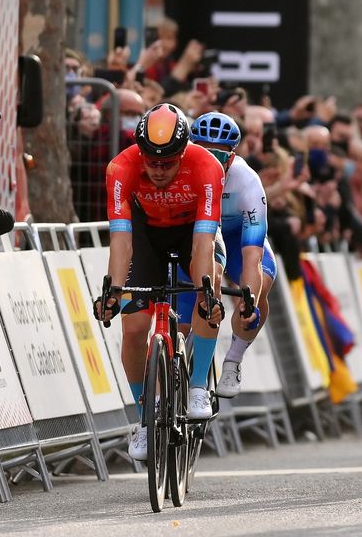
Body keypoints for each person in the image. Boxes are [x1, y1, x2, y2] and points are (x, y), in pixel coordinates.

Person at [94, 103, 226, 460]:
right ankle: (143, 420)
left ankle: (198, 385)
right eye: (151, 160)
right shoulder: (121, 167)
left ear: (184, 152)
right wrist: (113, 289)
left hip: (192, 234)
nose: (157, 169)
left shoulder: (207, 167)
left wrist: (206, 290)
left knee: (208, 286)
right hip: (146, 236)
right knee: (134, 327)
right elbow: (121, 240)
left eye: (167, 162)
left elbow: (203, 242)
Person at [176, 112, 276, 398]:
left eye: (219, 157)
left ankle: (233, 358)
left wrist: (250, 301)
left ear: (232, 157)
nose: (211, 163)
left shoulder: (246, 181)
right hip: (197, 239)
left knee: (258, 288)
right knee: (183, 324)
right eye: (203, 153)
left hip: (235, 242)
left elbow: (253, 254)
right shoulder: (180, 172)